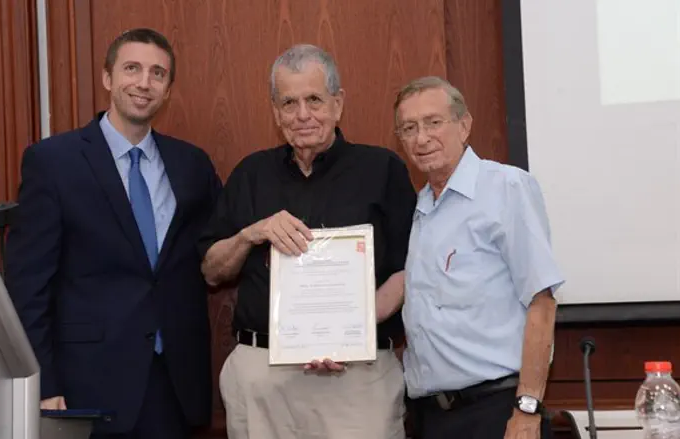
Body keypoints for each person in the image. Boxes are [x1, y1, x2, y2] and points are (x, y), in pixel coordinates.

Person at [4, 28, 220, 439]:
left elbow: (216, 250)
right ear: (107, 78)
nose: (144, 82)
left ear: (168, 89)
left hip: (172, 385)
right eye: (132, 68)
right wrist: (43, 383)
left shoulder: (191, 165)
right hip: (87, 385)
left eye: (158, 73)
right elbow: (26, 286)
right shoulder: (53, 162)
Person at [198, 44, 416, 439]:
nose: (302, 115)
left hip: (356, 379)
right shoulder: (250, 174)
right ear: (275, 110)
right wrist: (252, 233)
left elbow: (409, 270)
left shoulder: (383, 169)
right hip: (263, 379)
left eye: (314, 99)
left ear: (338, 103)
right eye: (289, 102)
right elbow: (212, 271)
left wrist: (347, 330)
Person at [392, 76, 563, 439]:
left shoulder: (505, 187)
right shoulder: (421, 208)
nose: (421, 138)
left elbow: (542, 302)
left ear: (464, 125)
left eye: (433, 123)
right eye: (409, 128)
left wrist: (527, 408)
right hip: (430, 418)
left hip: (498, 413)